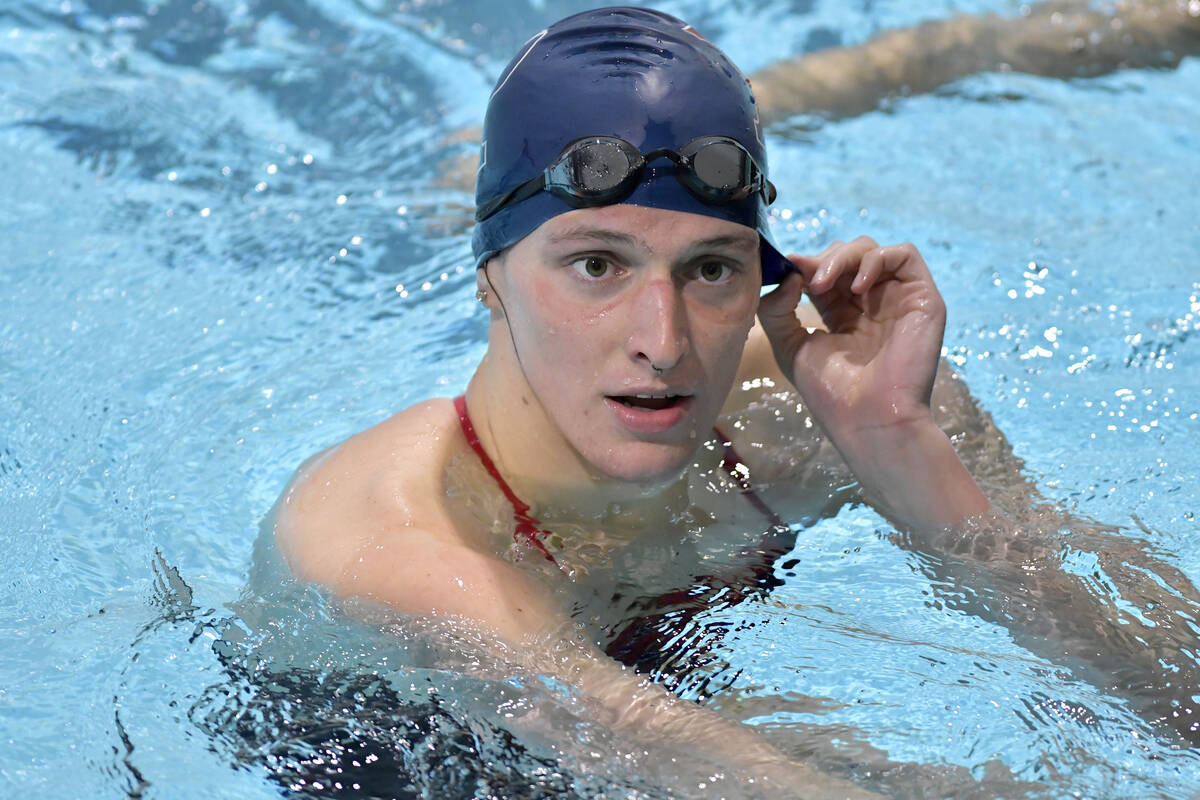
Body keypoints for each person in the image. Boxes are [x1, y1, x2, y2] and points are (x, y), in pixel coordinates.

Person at [273, 5, 1199, 794]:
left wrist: (901, 444)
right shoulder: (407, 540)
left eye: (710, 270)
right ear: (488, 278)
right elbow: (694, 766)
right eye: (596, 265)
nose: (664, 343)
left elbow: (1176, 697)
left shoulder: (789, 412)